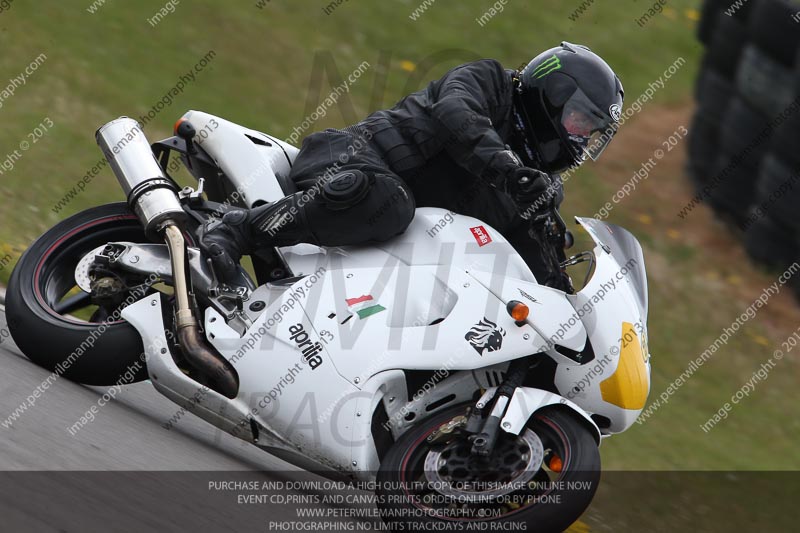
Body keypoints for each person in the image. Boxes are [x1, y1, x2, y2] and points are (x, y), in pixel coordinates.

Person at [199, 42, 624, 291]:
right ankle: (237, 229)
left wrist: (568, 306)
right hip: (350, 163)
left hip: (391, 248)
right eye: (582, 121)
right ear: (552, 95)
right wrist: (507, 170)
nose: (582, 139)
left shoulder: (538, 186)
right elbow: (457, 114)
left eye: (592, 132)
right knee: (389, 201)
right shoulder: (490, 83)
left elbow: (538, 260)